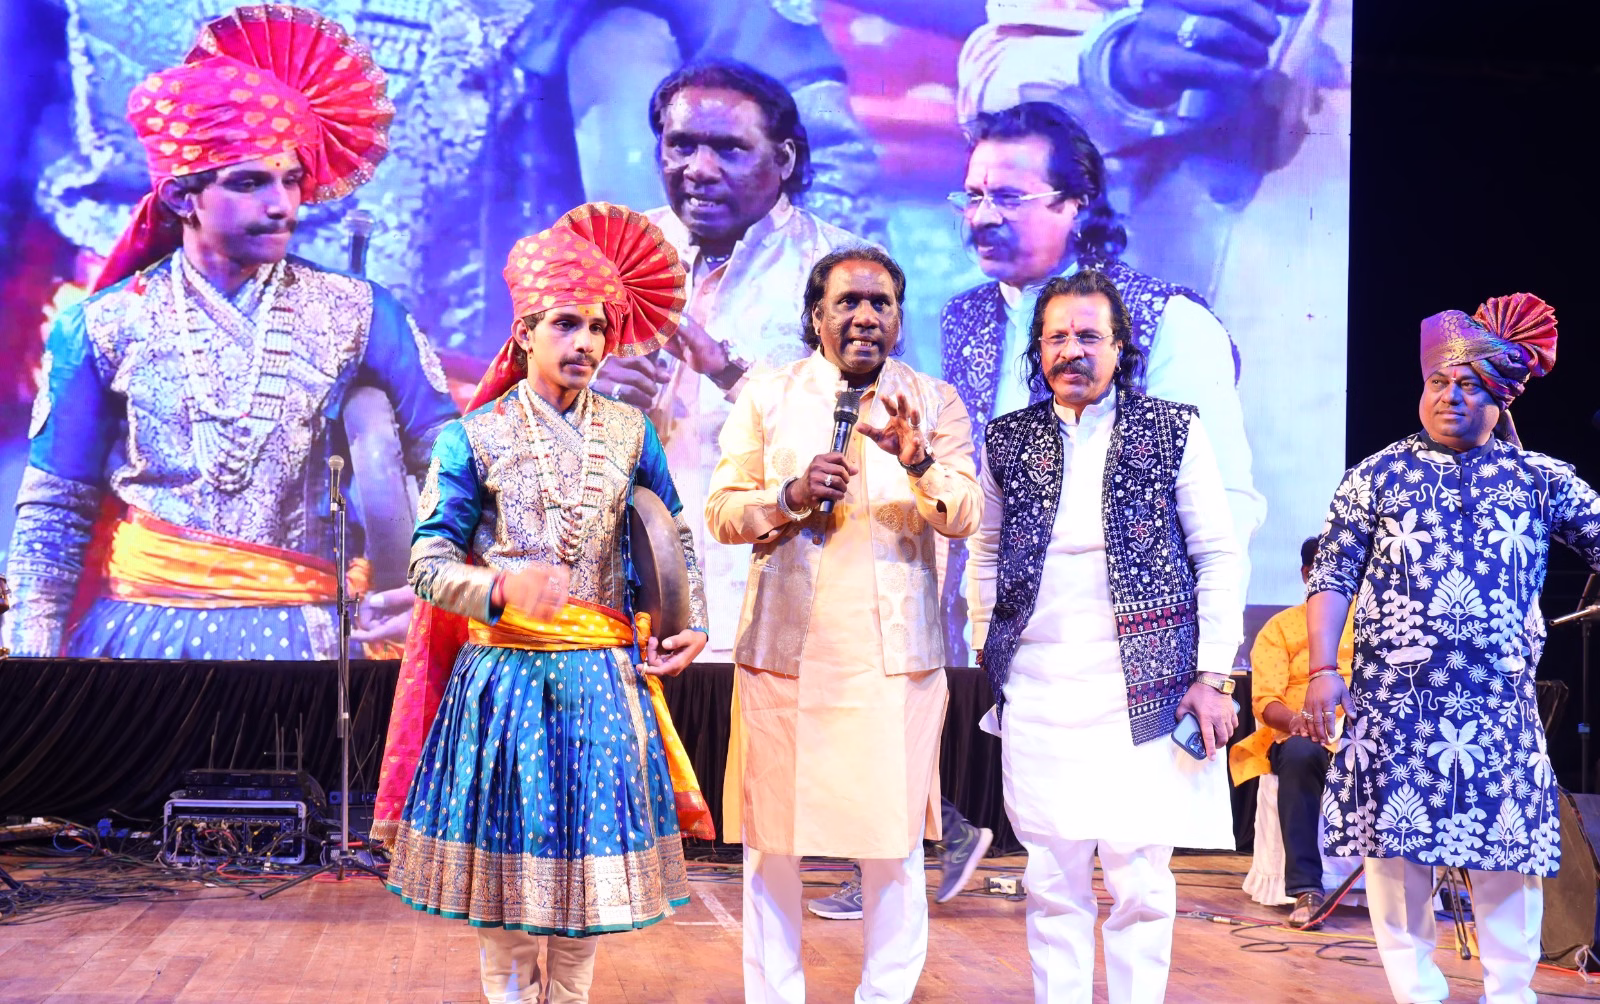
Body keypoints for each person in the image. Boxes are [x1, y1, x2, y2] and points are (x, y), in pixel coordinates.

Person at [1, 4, 456, 660]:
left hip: (313, 646)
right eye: (250, 183)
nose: (282, 205)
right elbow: (55, 513)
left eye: (291, 180)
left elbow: (451, 463)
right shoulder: (104, 324)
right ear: (181, 196)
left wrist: (437, 584)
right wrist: (33, 675)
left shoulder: (360, 313)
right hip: (139, 648)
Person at [374, 203, 710, 1004]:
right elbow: (426, 566)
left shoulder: (632, 433)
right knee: (506, 876)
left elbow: (672, 535)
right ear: (524, 332)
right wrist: (497, 588)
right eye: (567, 324)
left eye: (598, 327)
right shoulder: (471, 437)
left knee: (587, 878)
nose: (586, 342)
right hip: (505, 684)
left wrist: (689, 621)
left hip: (603, 681)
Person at [1303, 293, 1600, 1004]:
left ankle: (1510, 993)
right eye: (1438, 381)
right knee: (1395, 851)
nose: (1450, 397)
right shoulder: (1374, 476)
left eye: (1468, 385)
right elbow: (1333, 575)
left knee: (1509, 852)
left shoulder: (1540, 480)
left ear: (1499, 399)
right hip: (1394, 701)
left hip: (1498, 701)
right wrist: (1320, 667)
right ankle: (1416, 993)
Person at [706, 246, 981, 1003]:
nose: (865, 316)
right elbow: (722, 511)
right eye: (848, 302)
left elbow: (964, 514)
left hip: (894, 663)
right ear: (816, 314)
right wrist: (790, 495)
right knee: (773, 846)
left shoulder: (934, 401)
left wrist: (918, 463)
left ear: (898, 316)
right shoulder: (768, 396)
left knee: (892, 845)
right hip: (784, 658)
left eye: (880, 302)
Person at [967, 268, 1242, 1003]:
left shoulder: (1172, 429)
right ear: (1038, 349)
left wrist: (1213, 674)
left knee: (1140, 878)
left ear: (1120, 346)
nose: (1072, 350)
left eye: (1089, 336)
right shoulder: (1008, 439)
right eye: (1056, 336)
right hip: (1039, 686)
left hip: (1147, 687)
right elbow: (985, 550)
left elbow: (1218, 554)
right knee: (1050, 876)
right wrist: (985, 639)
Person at [940, 100, 1262, 663]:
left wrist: (1206, 663)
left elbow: (1225, 507)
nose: (982, 217)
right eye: (973, 196)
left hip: (1130, 651)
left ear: (1077, 204)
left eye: (1009, 197)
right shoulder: (963, 317)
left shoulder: (1167, 321)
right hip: (996, 650)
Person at [589, 59, 868, 664]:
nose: (699, 169)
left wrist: (727, 373)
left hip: (781, 599)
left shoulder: (845, 272)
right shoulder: (612, 257)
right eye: (681, 145)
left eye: (728, 149)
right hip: (624, 599)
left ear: (784, 159)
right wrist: (587, 386)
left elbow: (869, 441)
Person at [1227, 535, 1354, 928]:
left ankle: (1412, 888)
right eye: (1324, 570)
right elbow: (1265, 701)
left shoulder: (1373, 624)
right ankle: (1307, 889)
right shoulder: (1280, 628)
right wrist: (1299, 722)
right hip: (1302, 732)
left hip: (1363, 729)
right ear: (1306, 574)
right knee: (1299, 754)